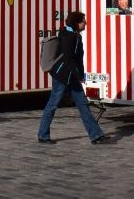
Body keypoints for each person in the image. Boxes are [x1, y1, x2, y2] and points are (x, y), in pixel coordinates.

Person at [37, 11, 108, 145]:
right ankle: (43, 135)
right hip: (62, 77)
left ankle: (96, 135)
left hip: (72, 76)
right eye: (83, 20)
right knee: (52, 105)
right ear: (76, 23)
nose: (85, 22)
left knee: (83, 105)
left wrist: (78, 75)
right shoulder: (68, 37)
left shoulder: (75, 36)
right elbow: (69, 60)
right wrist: (79, 76)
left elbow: (77, 60)